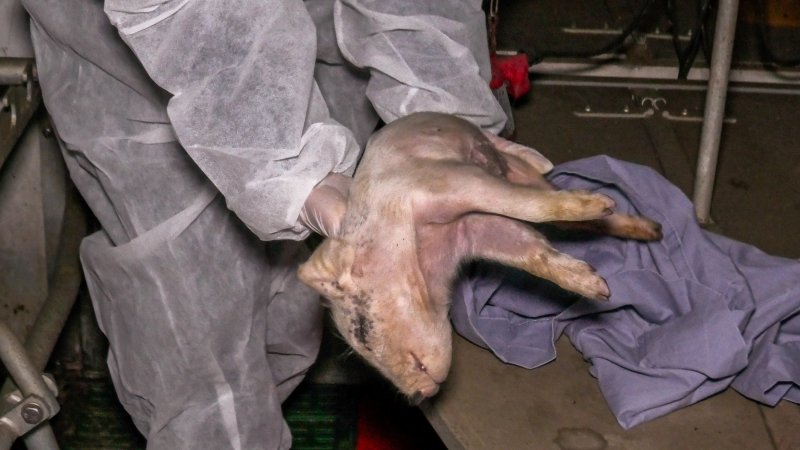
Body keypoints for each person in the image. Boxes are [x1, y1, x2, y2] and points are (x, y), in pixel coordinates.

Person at [21, 0, 509, 448]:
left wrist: (438, 119)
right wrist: (287, 164)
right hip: (138, 60)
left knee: (289, 299)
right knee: (196, 340)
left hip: (323, 31)